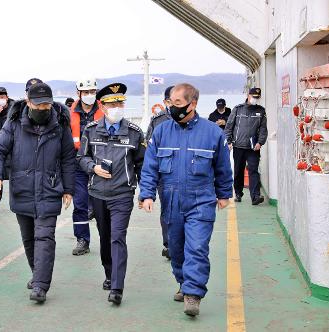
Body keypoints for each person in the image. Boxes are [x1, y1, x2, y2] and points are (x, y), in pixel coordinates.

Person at [139, 83, 232, 316]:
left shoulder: (212, 133)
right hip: (171, 200)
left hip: (201, 199)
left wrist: (224, 194)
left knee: (197, 247)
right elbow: (150, 166)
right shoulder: (161, 131)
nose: (172, 107)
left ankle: (193, 293)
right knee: (176, 249)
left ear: (193, 104)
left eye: (177, 103)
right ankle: (183, 282)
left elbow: (223, 167)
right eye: (170, 103)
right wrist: (147, 193)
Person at [0, 82, 76, 303]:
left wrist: (68, 188)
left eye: (47, 104)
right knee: (28, 238)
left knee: (45, 236)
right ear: (28, 102)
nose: (43, 108)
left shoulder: (60, 124)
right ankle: (37, 272)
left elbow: (67, 158)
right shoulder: (15, 122)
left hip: (49, 188)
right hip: (22, 188)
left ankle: (40, 285)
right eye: (38, 105)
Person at [77, 83, 146, 305]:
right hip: (97, 193)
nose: (117, 106)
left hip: (122, 194)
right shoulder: (90, 130)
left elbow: (142, 164)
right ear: (102, 106)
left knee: (117, 237)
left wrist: (146, 193)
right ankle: (109, 273)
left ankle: (117, 287)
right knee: (105, 238)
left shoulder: (134, 133)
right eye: (112, 103)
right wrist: (92, 168)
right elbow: (81, 157)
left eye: (120, 103)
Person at [70, 78, 104, 256]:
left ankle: (107, 239)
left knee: (102, 205)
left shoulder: (105, 111)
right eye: (86, 92)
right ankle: (82, 239)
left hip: (100, 164)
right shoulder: (69, 114)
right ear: (79, 94)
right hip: (78, 165)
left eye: (93, 92)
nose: (90, 95)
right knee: (80, 204)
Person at [224, 87, 267, 205]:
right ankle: (238, 193)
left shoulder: (261, 111)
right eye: (254, 97)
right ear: (248, 96)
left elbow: (263, 129)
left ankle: (255, 196)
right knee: (238, 170)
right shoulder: (238, 110)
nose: (255, 99)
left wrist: (260, 142)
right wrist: (229, 141)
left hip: (253, 148)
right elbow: (229, 127)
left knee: (253, 170)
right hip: (238, 146)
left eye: (257, 98)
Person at [145, 85, 174, 259]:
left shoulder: (194, 121)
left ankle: (184, 242)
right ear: (166, 102)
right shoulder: (158, 120)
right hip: (165, 175)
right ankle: (169, 244)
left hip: (188, 176)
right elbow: (149, 146)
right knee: (167, 210)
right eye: (173, 101)